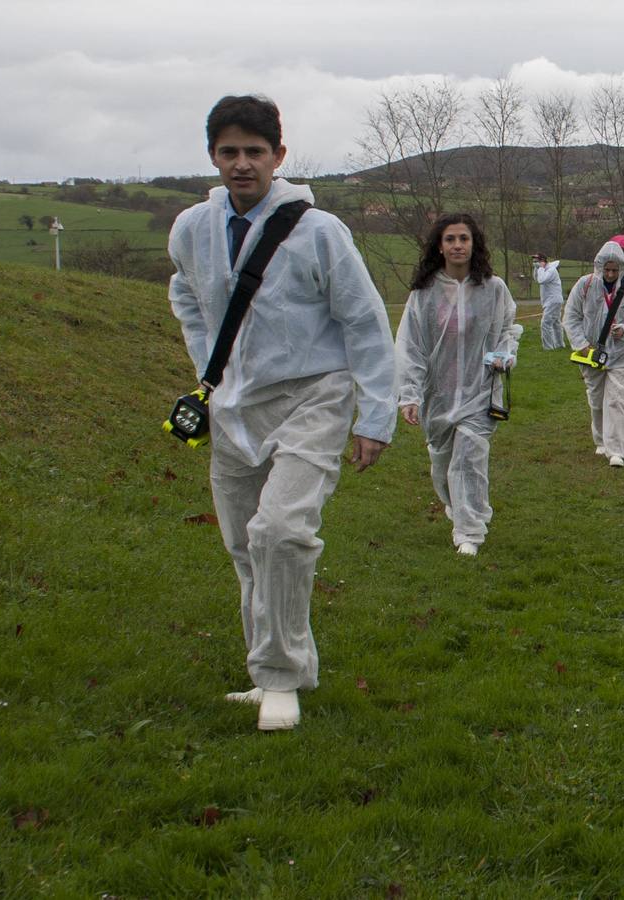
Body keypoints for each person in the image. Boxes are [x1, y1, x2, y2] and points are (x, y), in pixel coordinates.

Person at [167, 95, 396, 732]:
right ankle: (270, 667)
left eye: (255, 152)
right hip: (235, 405)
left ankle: (281, 677)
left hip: (313, 397)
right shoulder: (192, 229)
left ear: (279, 156)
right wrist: (208, 367)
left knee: (281, 533)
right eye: (229, 152)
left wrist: (375, 415)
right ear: (212, 155)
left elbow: (365, 321)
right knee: (246, 547)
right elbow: (184, 291)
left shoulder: (318, 232)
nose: (242, 164)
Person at [396, 214, 520, 558]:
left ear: (473, 243)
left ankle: (470, 531)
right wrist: (409, 393)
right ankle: (457, 505)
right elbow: (411, 346)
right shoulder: (424, 294)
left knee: (469, 457)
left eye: (464, 238)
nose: (457, 245)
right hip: (439, 395)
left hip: (480, 390)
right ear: (440, 246)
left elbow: (508, 328)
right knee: (443, 463)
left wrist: (505, 355)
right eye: (450, 239)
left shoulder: (493, 288)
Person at [564, 240, 624, 467]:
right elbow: (571, 317)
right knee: (597, 400)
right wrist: (581, 344)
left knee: (617, 399)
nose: (611, 274)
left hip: (623, 353)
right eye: (607, 269)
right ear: (600, 266)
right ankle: (601, 440)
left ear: (621, 268)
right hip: (592, 353)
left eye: (615, 270)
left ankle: (616, 451)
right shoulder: (585, 285)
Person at [532, 253, 565, 350]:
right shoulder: (545, 269)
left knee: (545, 323)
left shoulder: (551, 270)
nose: (535, 263)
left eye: (537, 261)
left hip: (553, 300)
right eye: (534, 262)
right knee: (555, 323)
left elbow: (541, 280)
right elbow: (536, 278)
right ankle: (559, 344)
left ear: (543, 261)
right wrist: (537, 268)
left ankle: (548, 348)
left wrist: (541, 268)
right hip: (552, 300)